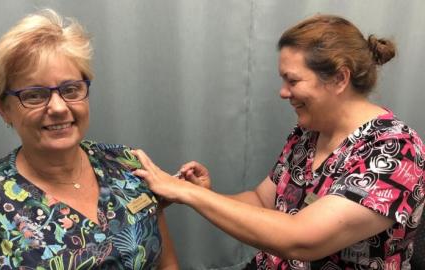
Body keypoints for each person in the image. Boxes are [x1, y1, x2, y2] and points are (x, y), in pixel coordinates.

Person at [131, 14, 425, 269]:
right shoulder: (309, 134)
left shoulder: (396, 150)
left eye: (292, 80)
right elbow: (262, 201)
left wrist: (187, 194)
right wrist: (205, 194)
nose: (283, 92)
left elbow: (300, 240)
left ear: (339, 78)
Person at [0, 9, 178, 269]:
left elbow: (166, 263)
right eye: (34, 95)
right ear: (2, 107)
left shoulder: (126, 163)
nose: (57, 107)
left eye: (70, 89)